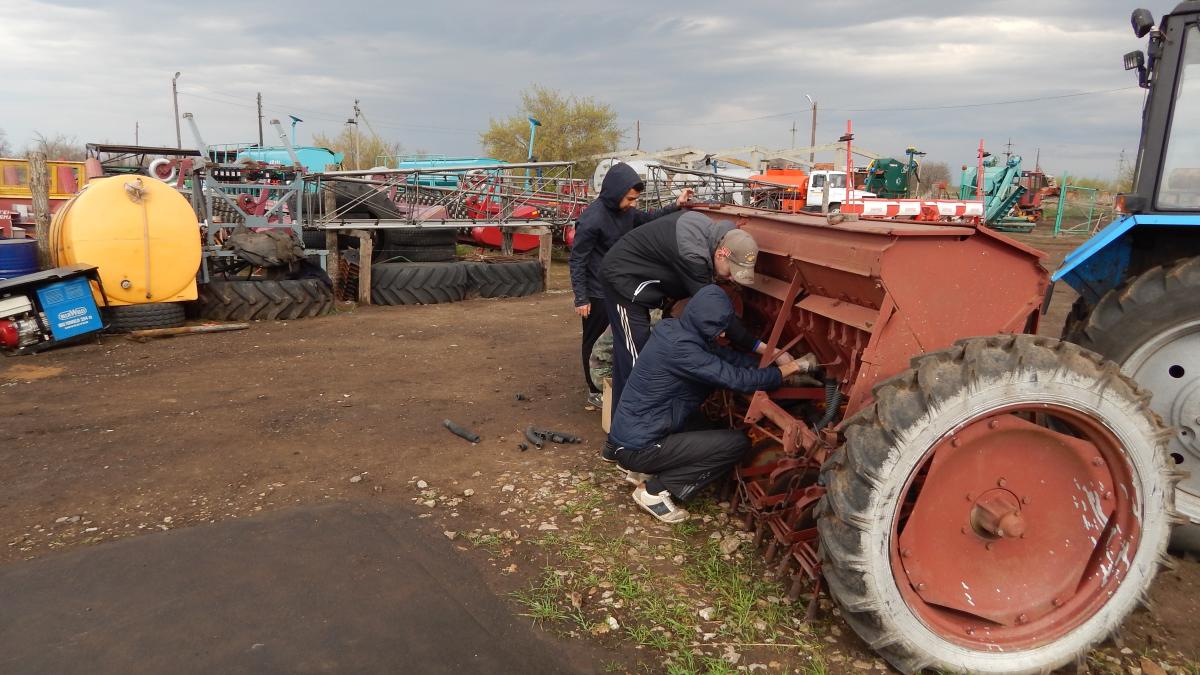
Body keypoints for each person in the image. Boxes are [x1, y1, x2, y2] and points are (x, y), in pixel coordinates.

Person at [605, 285, 815, 523]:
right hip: (639, 445)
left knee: (710, 428)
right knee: (736, 443)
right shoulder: (685, 351)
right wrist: (794, 367)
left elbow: (727, 358)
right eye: (719, 328)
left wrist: (769, 364)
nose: (724, 335)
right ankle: (655, 491)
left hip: (635, 432)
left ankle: (644, 469)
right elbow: (738, 380)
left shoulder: (675, 330)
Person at [599, 210, 788, 412]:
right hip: (623, 282)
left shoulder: (717, 236)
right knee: (638, 361)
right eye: (731, 272)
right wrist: (766, 349)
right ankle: (630, 433)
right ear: (721, 254)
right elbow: (716, 314)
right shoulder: (693, 255)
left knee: (629, 355)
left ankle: (620, 420)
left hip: (642, 278)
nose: (732, 279)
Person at [569, 162, 692, 407]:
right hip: (596, 292)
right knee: (593, 341)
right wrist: (581, 297)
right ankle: (593, 388)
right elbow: (577, 259)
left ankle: (611, 381)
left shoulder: (626, 213)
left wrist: (676, 206)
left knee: (616, 340)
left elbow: (648, 218)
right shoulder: (591, 220)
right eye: (629, 199)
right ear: (615, 192)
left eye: (635, 199)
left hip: (619, 286)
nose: (633, 204)